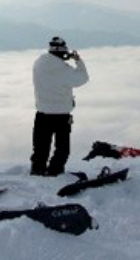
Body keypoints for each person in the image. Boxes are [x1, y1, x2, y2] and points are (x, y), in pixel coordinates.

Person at [31, 36, 89, 176]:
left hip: (42, 113)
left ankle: (37, 170)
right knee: (62, 148)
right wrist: (78, 60)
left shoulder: (39, 63)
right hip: (61, 115)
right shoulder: (63, 69)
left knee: (40, 147)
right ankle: (55, 171)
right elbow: (83, 78)